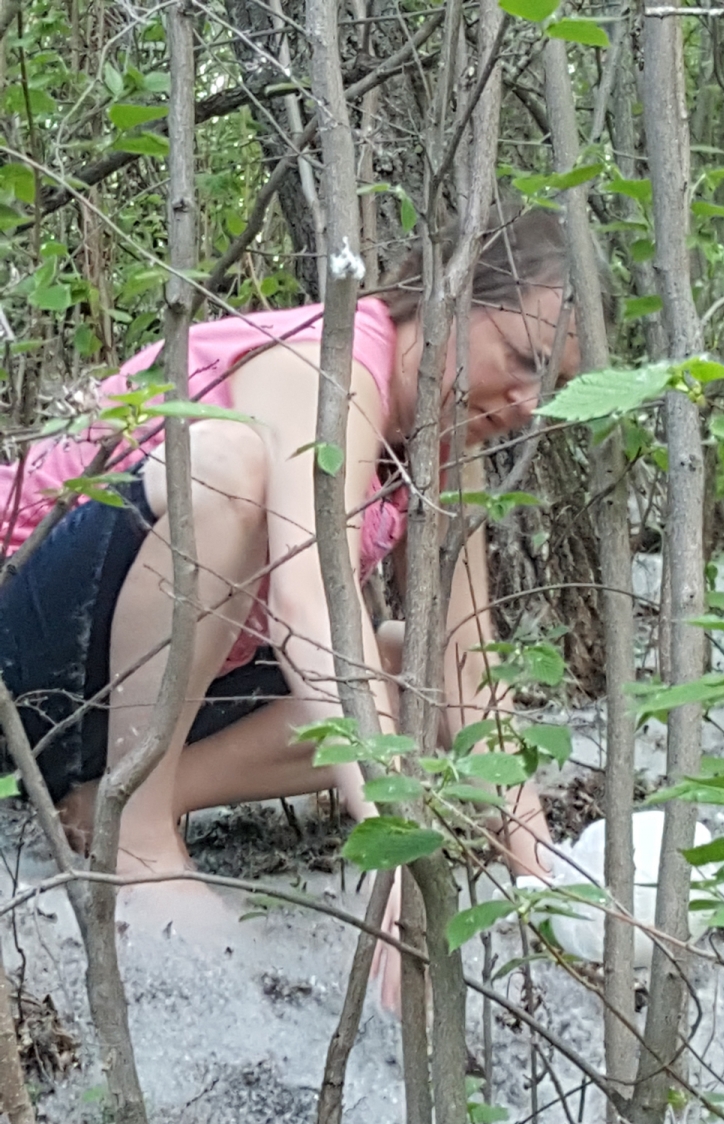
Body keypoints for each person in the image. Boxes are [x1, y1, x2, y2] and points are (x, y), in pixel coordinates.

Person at [0, 206, 579, 951]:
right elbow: (306, 603)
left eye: (553, 386)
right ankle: (136, 840)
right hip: (28, 652)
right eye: (525, 360)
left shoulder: (443, 441)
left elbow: (468, 659)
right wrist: (393, 850)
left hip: (130, 703)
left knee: (409, 668)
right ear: (451, 297)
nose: (530, 406)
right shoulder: (324, 364)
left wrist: (540, 878)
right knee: (228, 464)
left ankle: (100, 806)